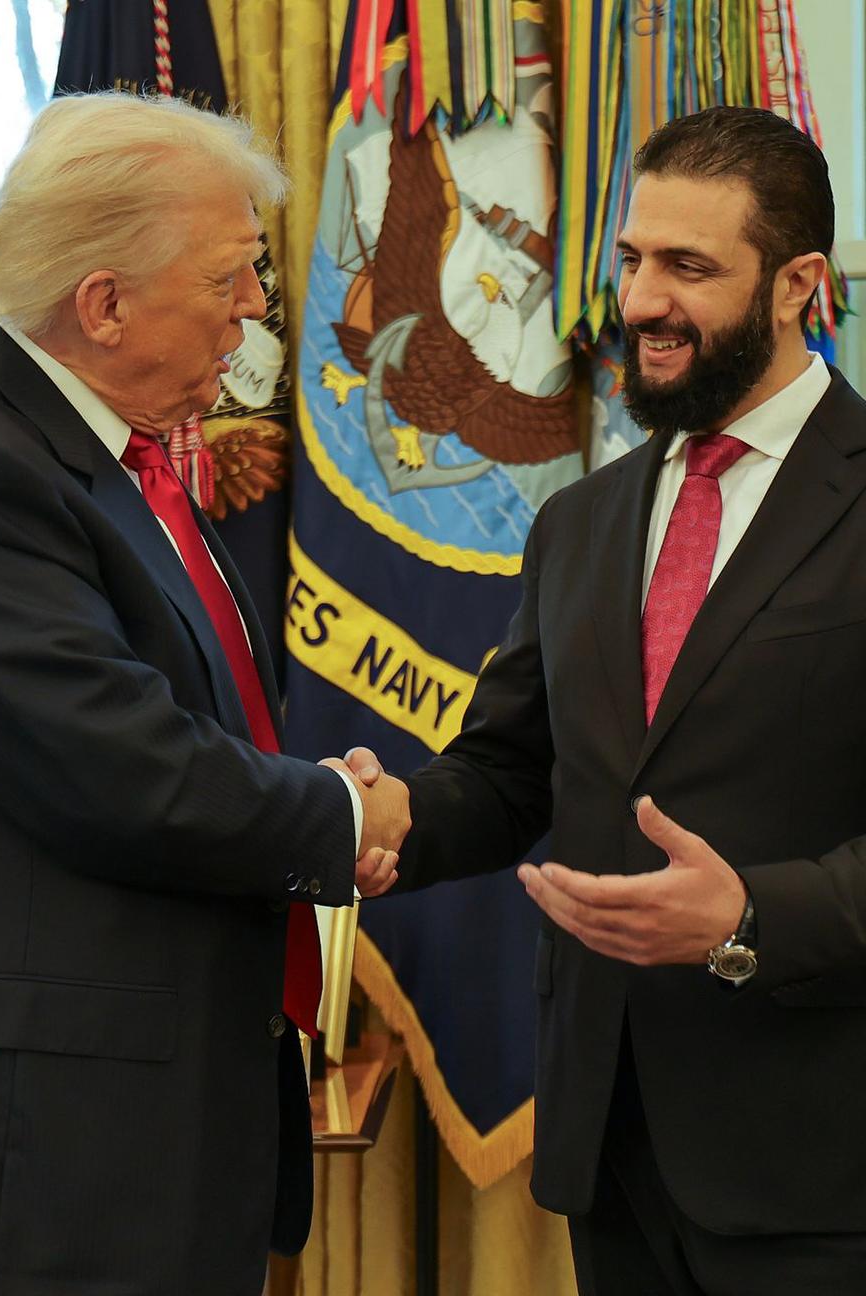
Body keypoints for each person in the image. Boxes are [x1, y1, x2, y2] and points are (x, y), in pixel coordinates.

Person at [0, 92, 409, 1296]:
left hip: (116, 1127)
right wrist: (337, 815)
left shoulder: (114, 463)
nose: (258, 309)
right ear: (104, 304)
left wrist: (316, 795)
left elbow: (178, 728)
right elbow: (120, 769)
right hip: (27, 1150)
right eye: (233, 275)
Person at [342, 106, 866, 1294]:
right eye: (631, 260)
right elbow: (511, 773)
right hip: (611, 1149)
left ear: (799, 286)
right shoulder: (581, 520)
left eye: (689, 267)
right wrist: (394, 821)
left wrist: (747, 920)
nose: (638, 303)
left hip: (824, 1171)